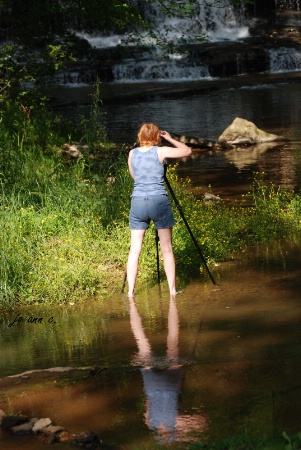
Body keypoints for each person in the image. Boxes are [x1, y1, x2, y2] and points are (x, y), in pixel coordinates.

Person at [126, 122, 192, 297]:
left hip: (138, 201)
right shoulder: (161, 151)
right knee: (167, 249)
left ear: (140, 136)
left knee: (134, 249)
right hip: (158, 200)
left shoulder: (132, 154)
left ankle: (131, 292)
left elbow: (135, 176)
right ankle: (172, 290)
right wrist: (169, 138)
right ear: (157, 137)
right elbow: (187, 150)